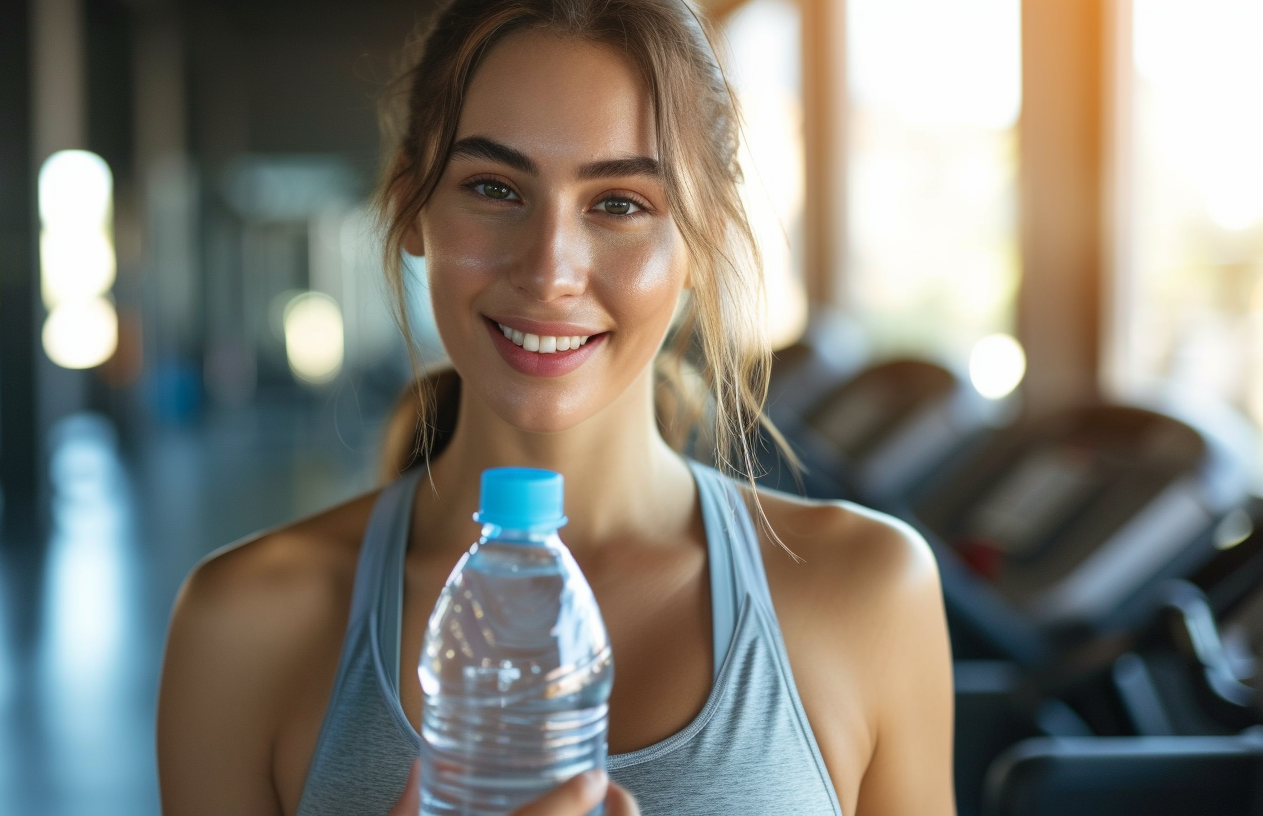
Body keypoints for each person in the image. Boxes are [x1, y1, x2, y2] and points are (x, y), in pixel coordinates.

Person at [156, 0, 954, 814]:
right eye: (495, 188)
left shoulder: (869, 596)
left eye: (619, 203)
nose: (549, 271)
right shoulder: (243, 628)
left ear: (704, 235)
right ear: (412, 204)